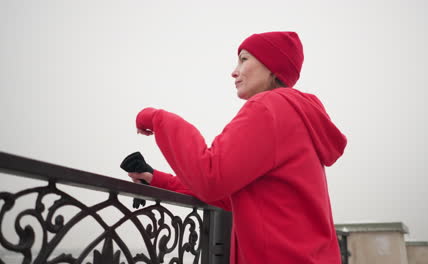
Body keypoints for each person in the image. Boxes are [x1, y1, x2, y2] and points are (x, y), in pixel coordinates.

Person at [128, 31, 347, 264]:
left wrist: (157, 118)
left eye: (244, 59)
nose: (234, 71)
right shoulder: (297, 117)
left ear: (272, 66)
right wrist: (157, 179)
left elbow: (211, 176)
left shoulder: (269, 106)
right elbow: (232, 194)